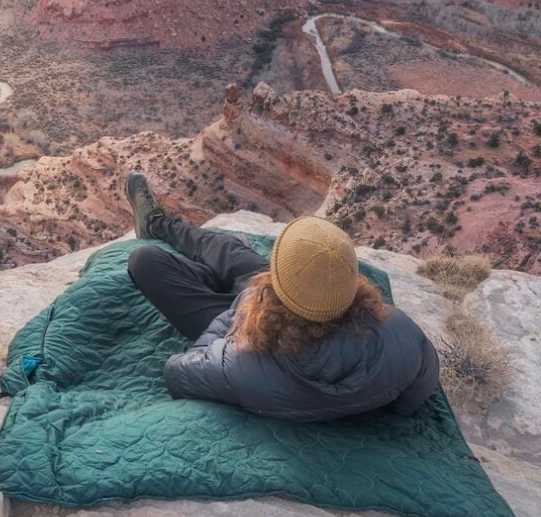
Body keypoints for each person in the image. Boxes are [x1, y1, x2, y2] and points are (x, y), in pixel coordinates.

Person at [125, 172, 439, 422]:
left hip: (254, 331)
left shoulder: (245, 364)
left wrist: (245, 309)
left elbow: (178, 372)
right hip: (299, 304)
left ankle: (165, 232)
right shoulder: (403, 334)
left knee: (147, 261)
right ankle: (159, 226)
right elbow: (413, 398)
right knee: (228, 253)